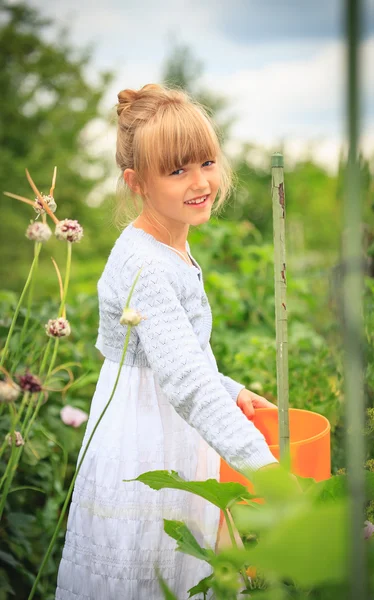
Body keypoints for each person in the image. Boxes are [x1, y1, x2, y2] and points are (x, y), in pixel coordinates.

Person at [55, 83, 282, 600]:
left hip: (174, 433)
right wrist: (265, 470)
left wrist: (231, 389)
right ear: (137, 183)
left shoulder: (168, 246)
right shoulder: (143, 263)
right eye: (177, 170)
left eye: (205, 162)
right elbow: (182, 380)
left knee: (184, 573)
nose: (200, 181)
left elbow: (174, 357)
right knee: (149, 574)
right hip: (146, 450)